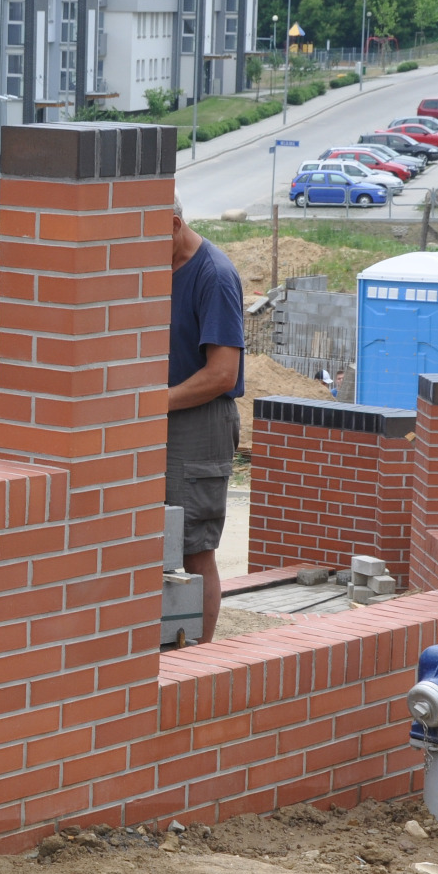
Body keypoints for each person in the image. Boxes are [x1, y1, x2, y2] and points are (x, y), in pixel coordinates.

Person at [166, 202, 244, 643]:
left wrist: (154, 403)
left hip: (199, 422)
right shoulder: (158, 268)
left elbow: (222, 375)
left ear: (175, 225)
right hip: (163, 416)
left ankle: (200, 659)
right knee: (157, 542)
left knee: (194, 549)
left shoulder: (214, 275)